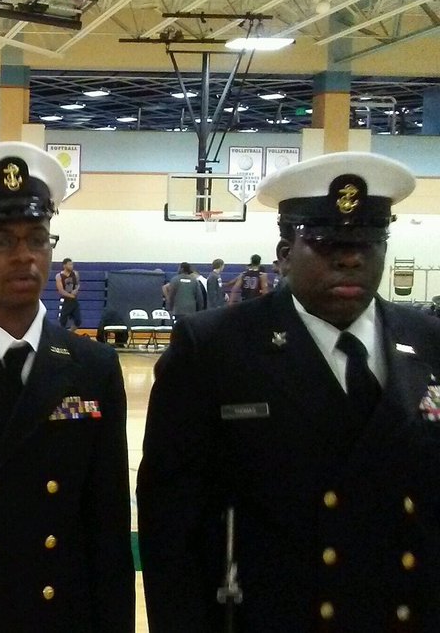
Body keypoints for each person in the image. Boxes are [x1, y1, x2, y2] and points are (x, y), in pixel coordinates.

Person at [137, 152, 440, 632]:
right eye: (326, 244)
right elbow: (172, 524)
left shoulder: (427, 341)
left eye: (368, 242)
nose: (349, 259)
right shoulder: (216, 348)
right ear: (284, 253)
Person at [0, 142, 134, 632]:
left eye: (37, 238)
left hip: (59, 614)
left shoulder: (93, 366)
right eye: (1, 240)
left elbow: (107, 528)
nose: (23, 256)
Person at [56, 257, 82, 330]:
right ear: (64, 266)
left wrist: (76, 290)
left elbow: (78, 284)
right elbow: (61, 290)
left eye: (72, 264)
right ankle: (61, 336)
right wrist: (70, 295)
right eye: (69, 264)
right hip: (65, 300)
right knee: (62, 322)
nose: (71, 266)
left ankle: (69, 333)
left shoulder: (75, 273)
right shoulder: (59, 276)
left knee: (78, 321)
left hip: (74, 300)